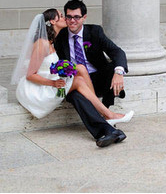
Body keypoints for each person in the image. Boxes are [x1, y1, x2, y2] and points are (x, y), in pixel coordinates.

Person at [11, 8, 132, 148]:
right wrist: (53, 82)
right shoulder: (42, 43)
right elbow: (30, 75)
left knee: (79, 69)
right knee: (78, 82)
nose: (65, 18)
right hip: (38, 91)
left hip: (52, 82)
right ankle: (107, 115)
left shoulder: (51, 41)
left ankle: (106, 121)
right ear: (52, 21)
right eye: (61, 16)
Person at [54, 0, 133, 141]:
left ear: (84, 17)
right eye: (69, 17)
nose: (72, 21)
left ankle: (105, 110)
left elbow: (117, 52)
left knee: (112, 66)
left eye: (76, 17)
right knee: (74, 95)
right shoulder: (60, 37)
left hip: (97, 78)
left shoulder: (95, 31)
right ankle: (103, 131)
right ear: (65, 17)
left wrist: (119, 73)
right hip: (76, 81)